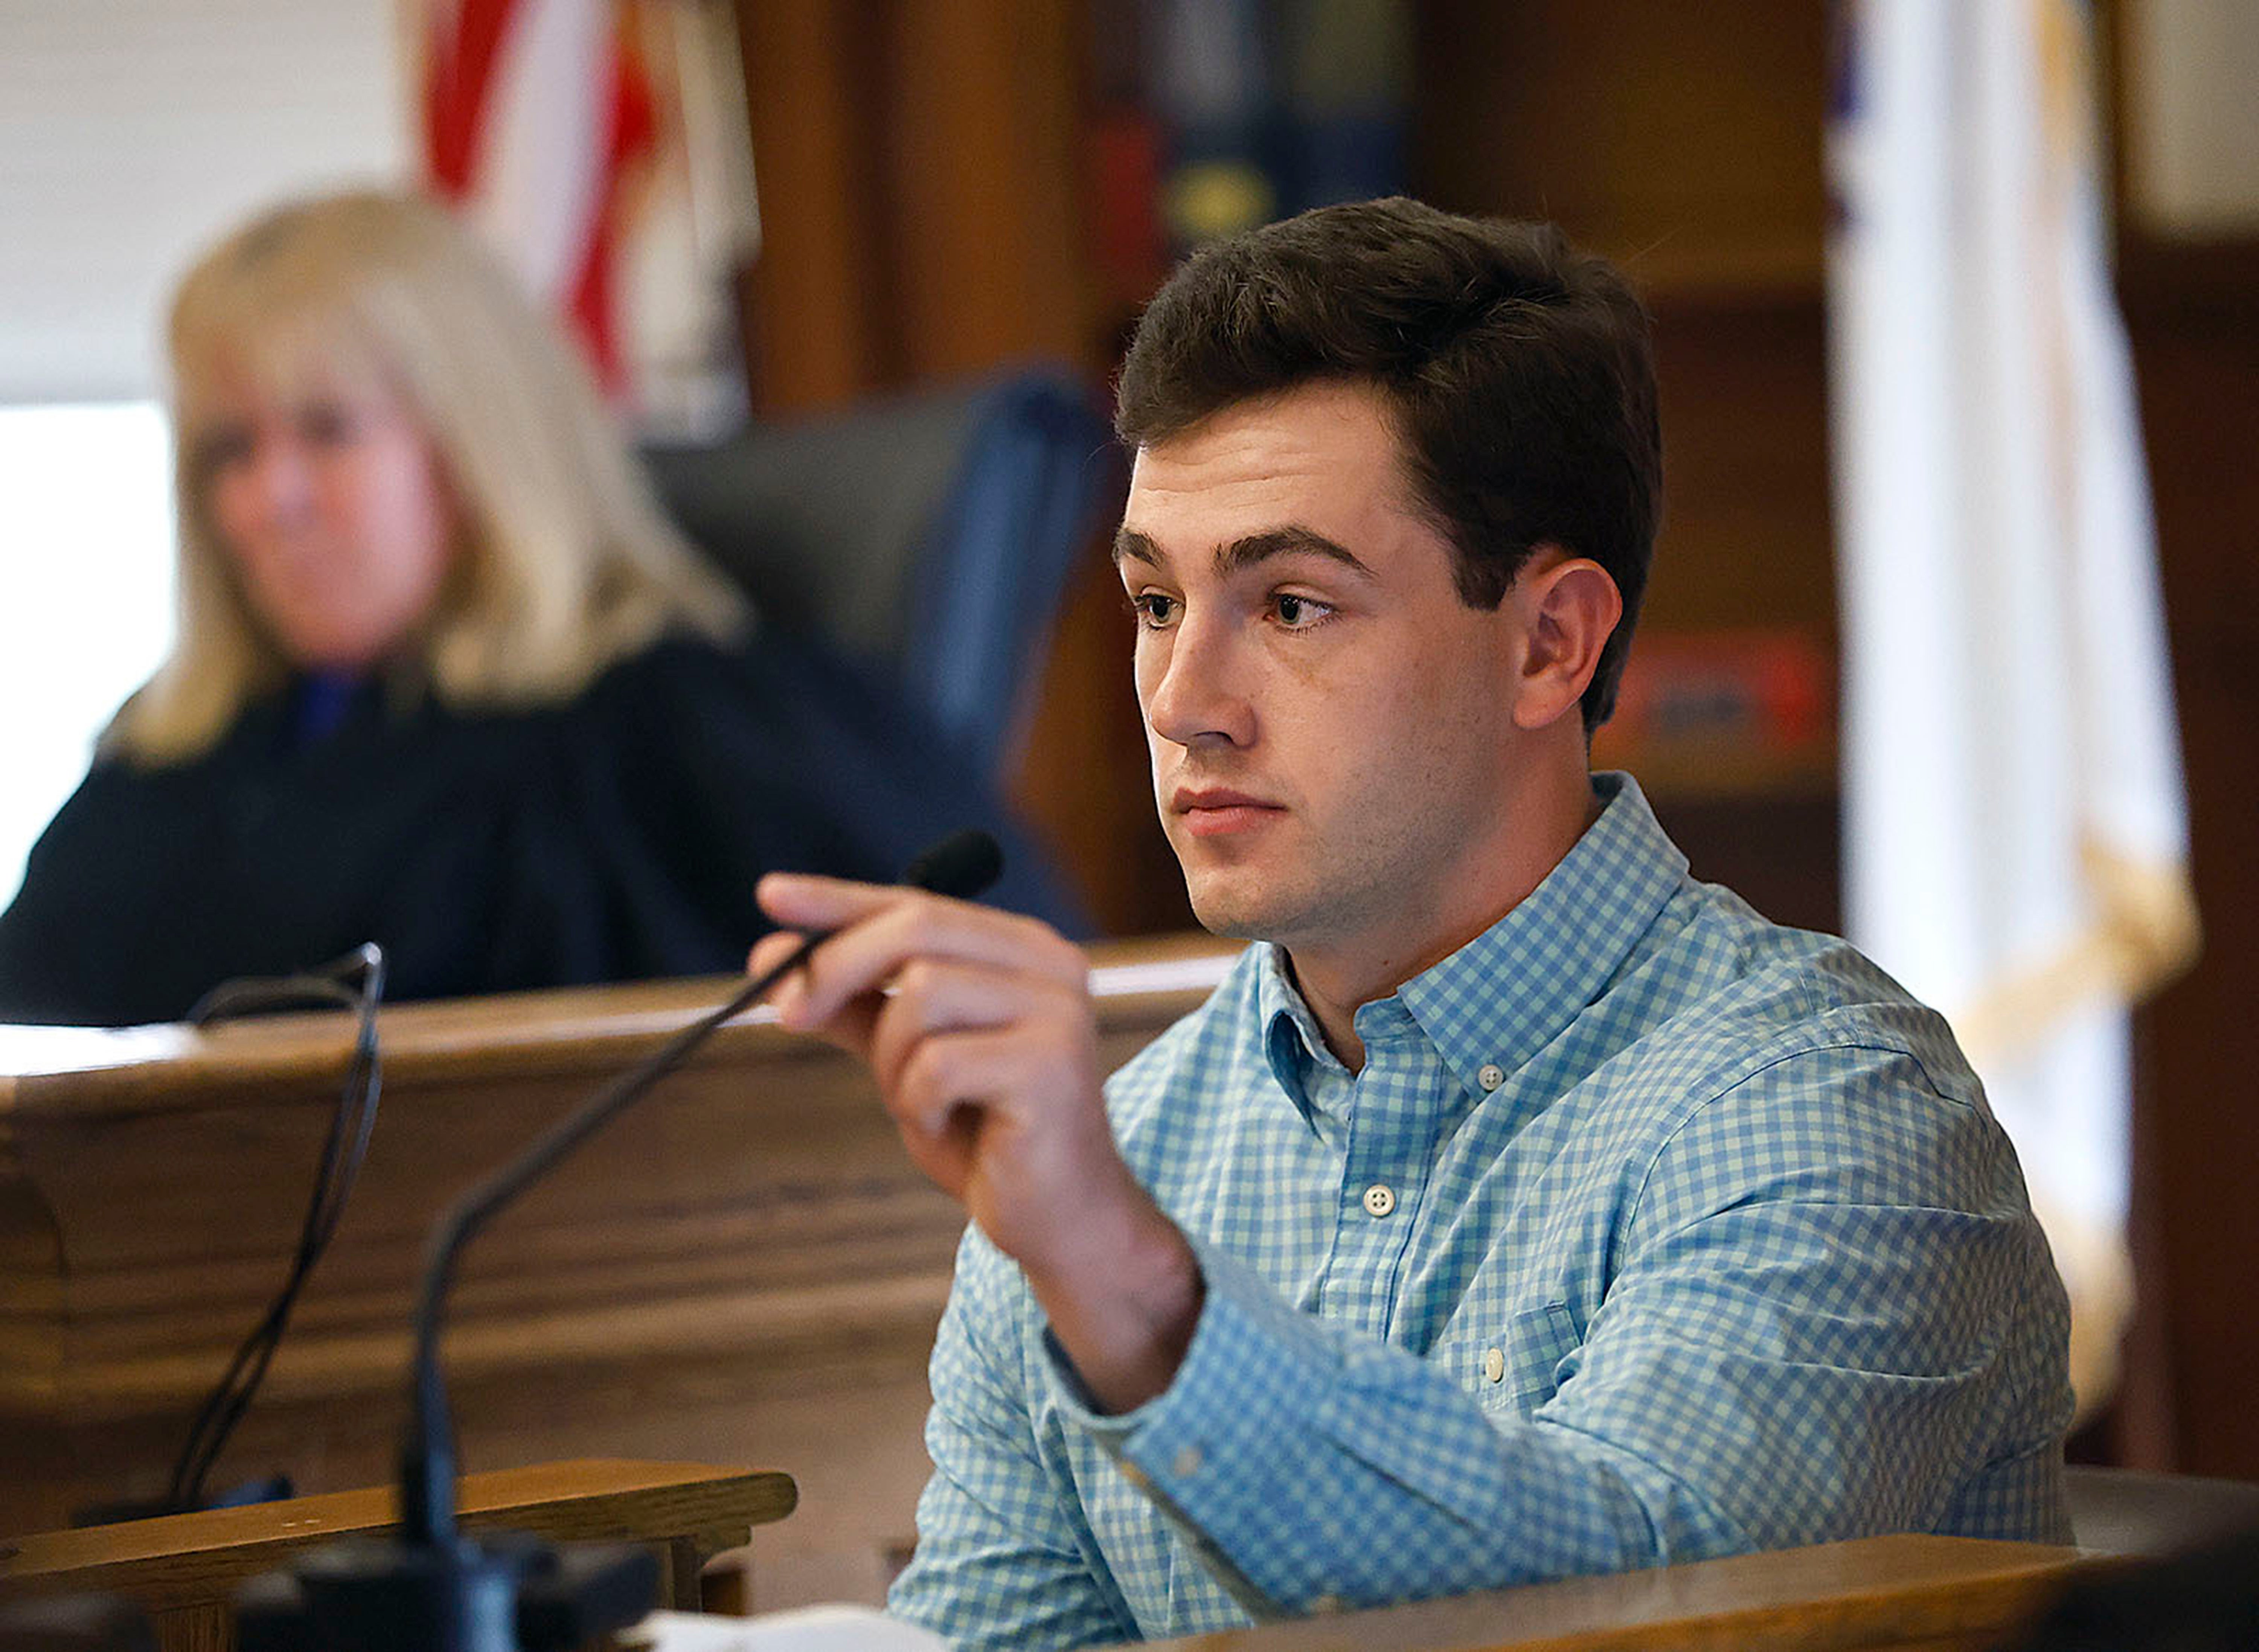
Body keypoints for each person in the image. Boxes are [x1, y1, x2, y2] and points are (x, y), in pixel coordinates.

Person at [747, 198, 2074, 1649]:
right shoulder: (1108, 1162)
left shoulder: (1834, 1109)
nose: (1184, 699)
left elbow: (1646, 1606)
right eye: (1150, 600)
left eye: (1295, 605)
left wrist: (1134, 1296)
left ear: (1549, 641)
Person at [0, 190, 1072, 1027]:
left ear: (478, 445)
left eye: (328, 430)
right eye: (230, 449)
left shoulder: (692, 737)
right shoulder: (169, 757)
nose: (266, 501)